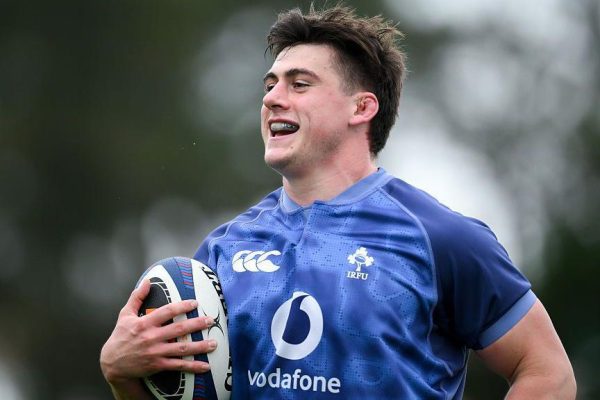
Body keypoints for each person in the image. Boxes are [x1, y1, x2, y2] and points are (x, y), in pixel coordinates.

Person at [100, 4, 576, 399]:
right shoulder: (223, 250)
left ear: (361, 107)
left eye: (299, 84)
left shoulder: (440, 238)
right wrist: (122, 375)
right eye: (270, 84)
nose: (273, 99)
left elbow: (547, 371)